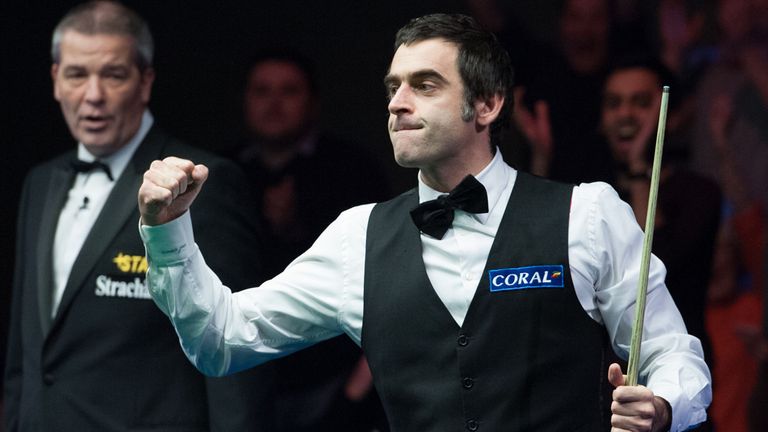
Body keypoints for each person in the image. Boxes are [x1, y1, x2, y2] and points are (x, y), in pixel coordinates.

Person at [138, 13, 711, 432]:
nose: (396, 103)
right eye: (393, 87)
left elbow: (670, 352)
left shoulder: (586, 214)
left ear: (487, 105)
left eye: (425, 86)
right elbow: (220, 339)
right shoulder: (357, 238)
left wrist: (662, 404)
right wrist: (167, 233)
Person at [3, 2, 274, 431]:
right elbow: (25, 351)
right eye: (76, 74)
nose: (93, 95)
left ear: (145, 81)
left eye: (113, 75)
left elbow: (237, 348)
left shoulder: (200, 182)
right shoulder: (41, 182)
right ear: (56, 80)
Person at [232, 50, 389, 431]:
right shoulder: (222, 173)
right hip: (239, 371)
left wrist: (353, 394)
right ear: (244, 101)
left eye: (288, 91)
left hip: (332, 375)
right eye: (261, 91)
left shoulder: (352, 169)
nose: (273, 103)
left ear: (313, 102)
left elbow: (380, 280)